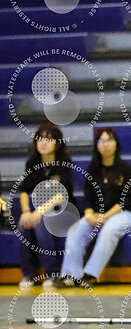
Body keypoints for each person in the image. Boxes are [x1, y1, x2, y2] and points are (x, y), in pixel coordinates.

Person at [55, 127, 131, 287]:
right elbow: (88, 199)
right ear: (97, 145)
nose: (105, 144)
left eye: (109, 140)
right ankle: (70, 275)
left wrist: (105, 217)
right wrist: (89, 215)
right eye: (102, 140)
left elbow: (126, 201)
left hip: (124, 215)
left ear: (116, 143)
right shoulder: (93, 170)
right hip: (97, 216)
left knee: (110, 229)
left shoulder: (126, 169)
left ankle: (90, 274)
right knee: (75, 231)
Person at [17, 123, 74, 288]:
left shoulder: (64, 162)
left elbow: (61, 194)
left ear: (57, 143)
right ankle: (29, 273)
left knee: (41, 221)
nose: (43, 143)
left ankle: (52, 273)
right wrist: (26, 212)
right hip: (39, 210)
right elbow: (24, 190)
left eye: (48, 139)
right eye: (40, 139)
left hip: (64, 211)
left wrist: (39, 211)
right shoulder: (32, 162)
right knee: (23, 223)